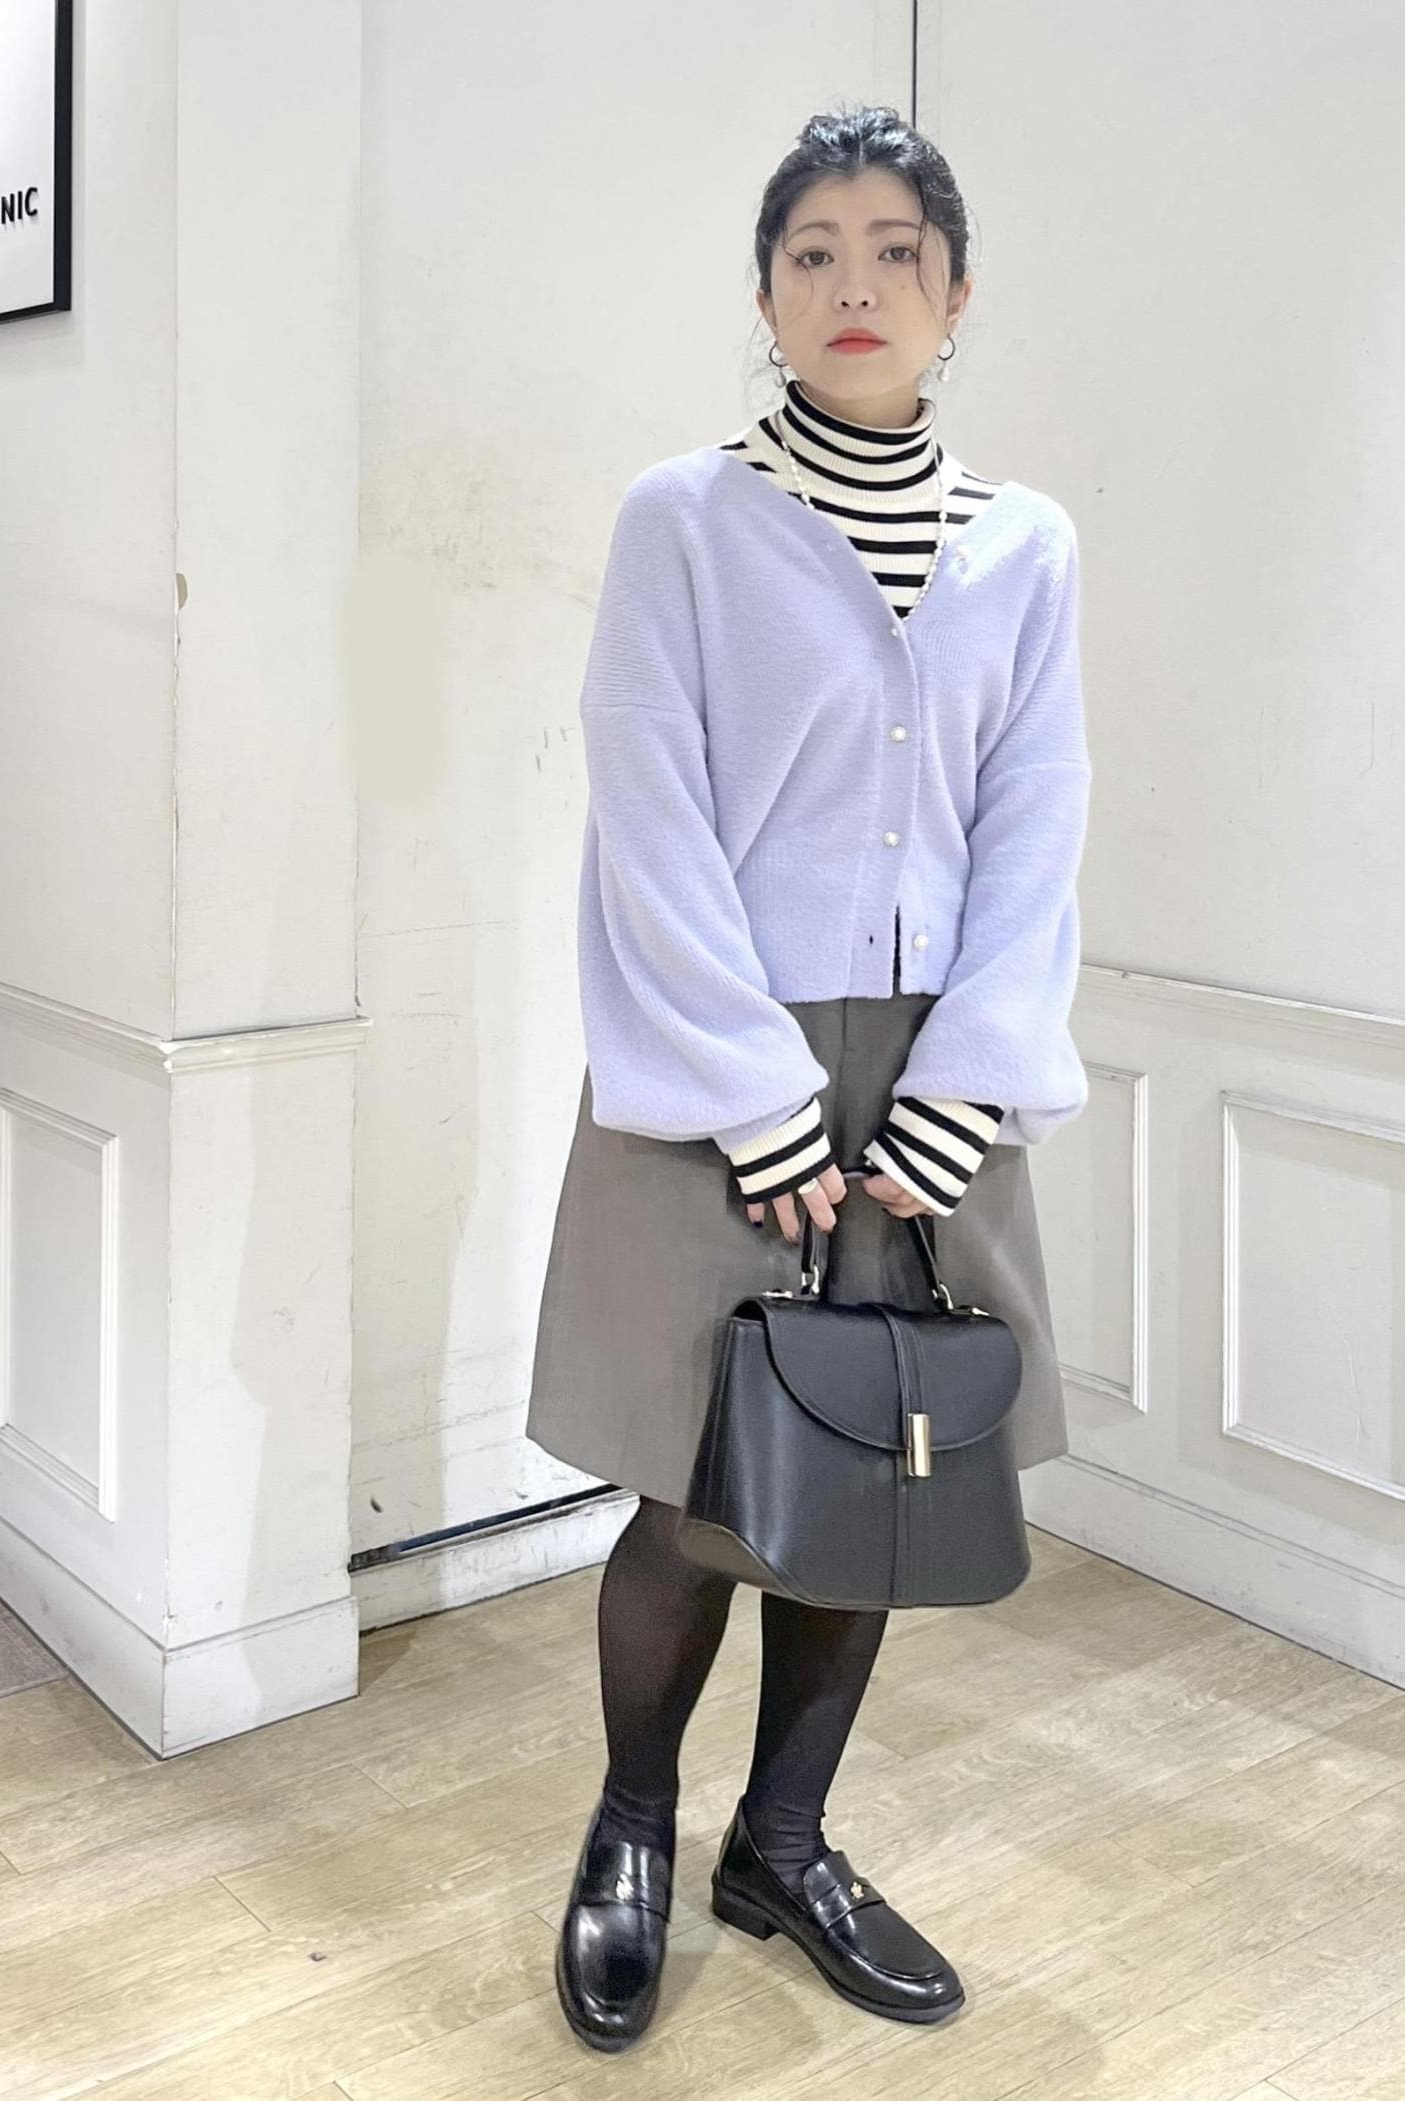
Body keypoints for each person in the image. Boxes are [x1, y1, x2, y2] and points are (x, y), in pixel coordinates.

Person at [525, 101, 1092, 2051]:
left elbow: (1038, 823)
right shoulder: (683, 519)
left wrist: (966, 1091)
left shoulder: (1027, 546)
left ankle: (782, 1843)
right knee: (700, 1492)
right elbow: (648, 809)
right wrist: (758, 1099)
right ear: (766, 294)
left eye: (895, 252)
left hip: (936, 1076)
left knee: (876, 1473)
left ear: (957, 294)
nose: (856, 285)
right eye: (813, 253)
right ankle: (632, 1827)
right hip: (723, 1065)